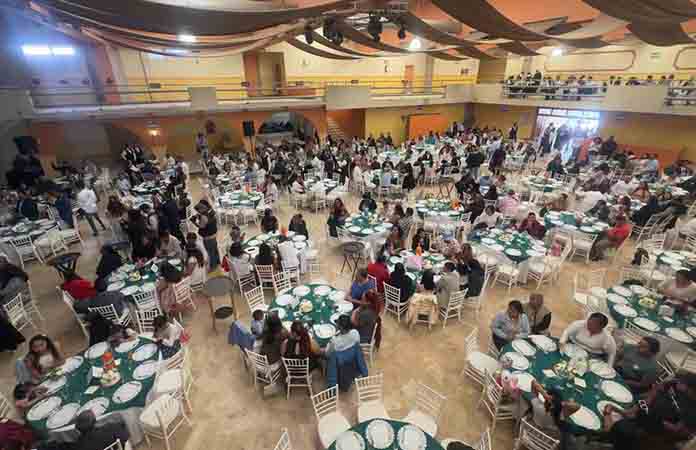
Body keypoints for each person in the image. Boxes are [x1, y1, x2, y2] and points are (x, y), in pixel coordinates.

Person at [606, 374, 696, 450]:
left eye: (682, 383)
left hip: (656, 428)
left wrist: (657, 420)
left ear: (691, 390)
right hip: (645, 413)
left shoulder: (692, 410)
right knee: (622, 421)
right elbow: (652, 395)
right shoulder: (673, 384)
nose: (678, 382)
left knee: (621, 430)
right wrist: (636, 409)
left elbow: (677, 429)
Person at [190, 199, 220, 270]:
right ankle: (218, 262)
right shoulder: (211, 212)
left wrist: (194, 222)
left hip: (208, 238)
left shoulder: (203, 217)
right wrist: (199, 216)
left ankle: (213, 266)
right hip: (213, 235)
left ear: (201, 209)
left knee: (210, 252)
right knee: (215, 250)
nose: (198, 212)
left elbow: (201, 227)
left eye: (198, 210)